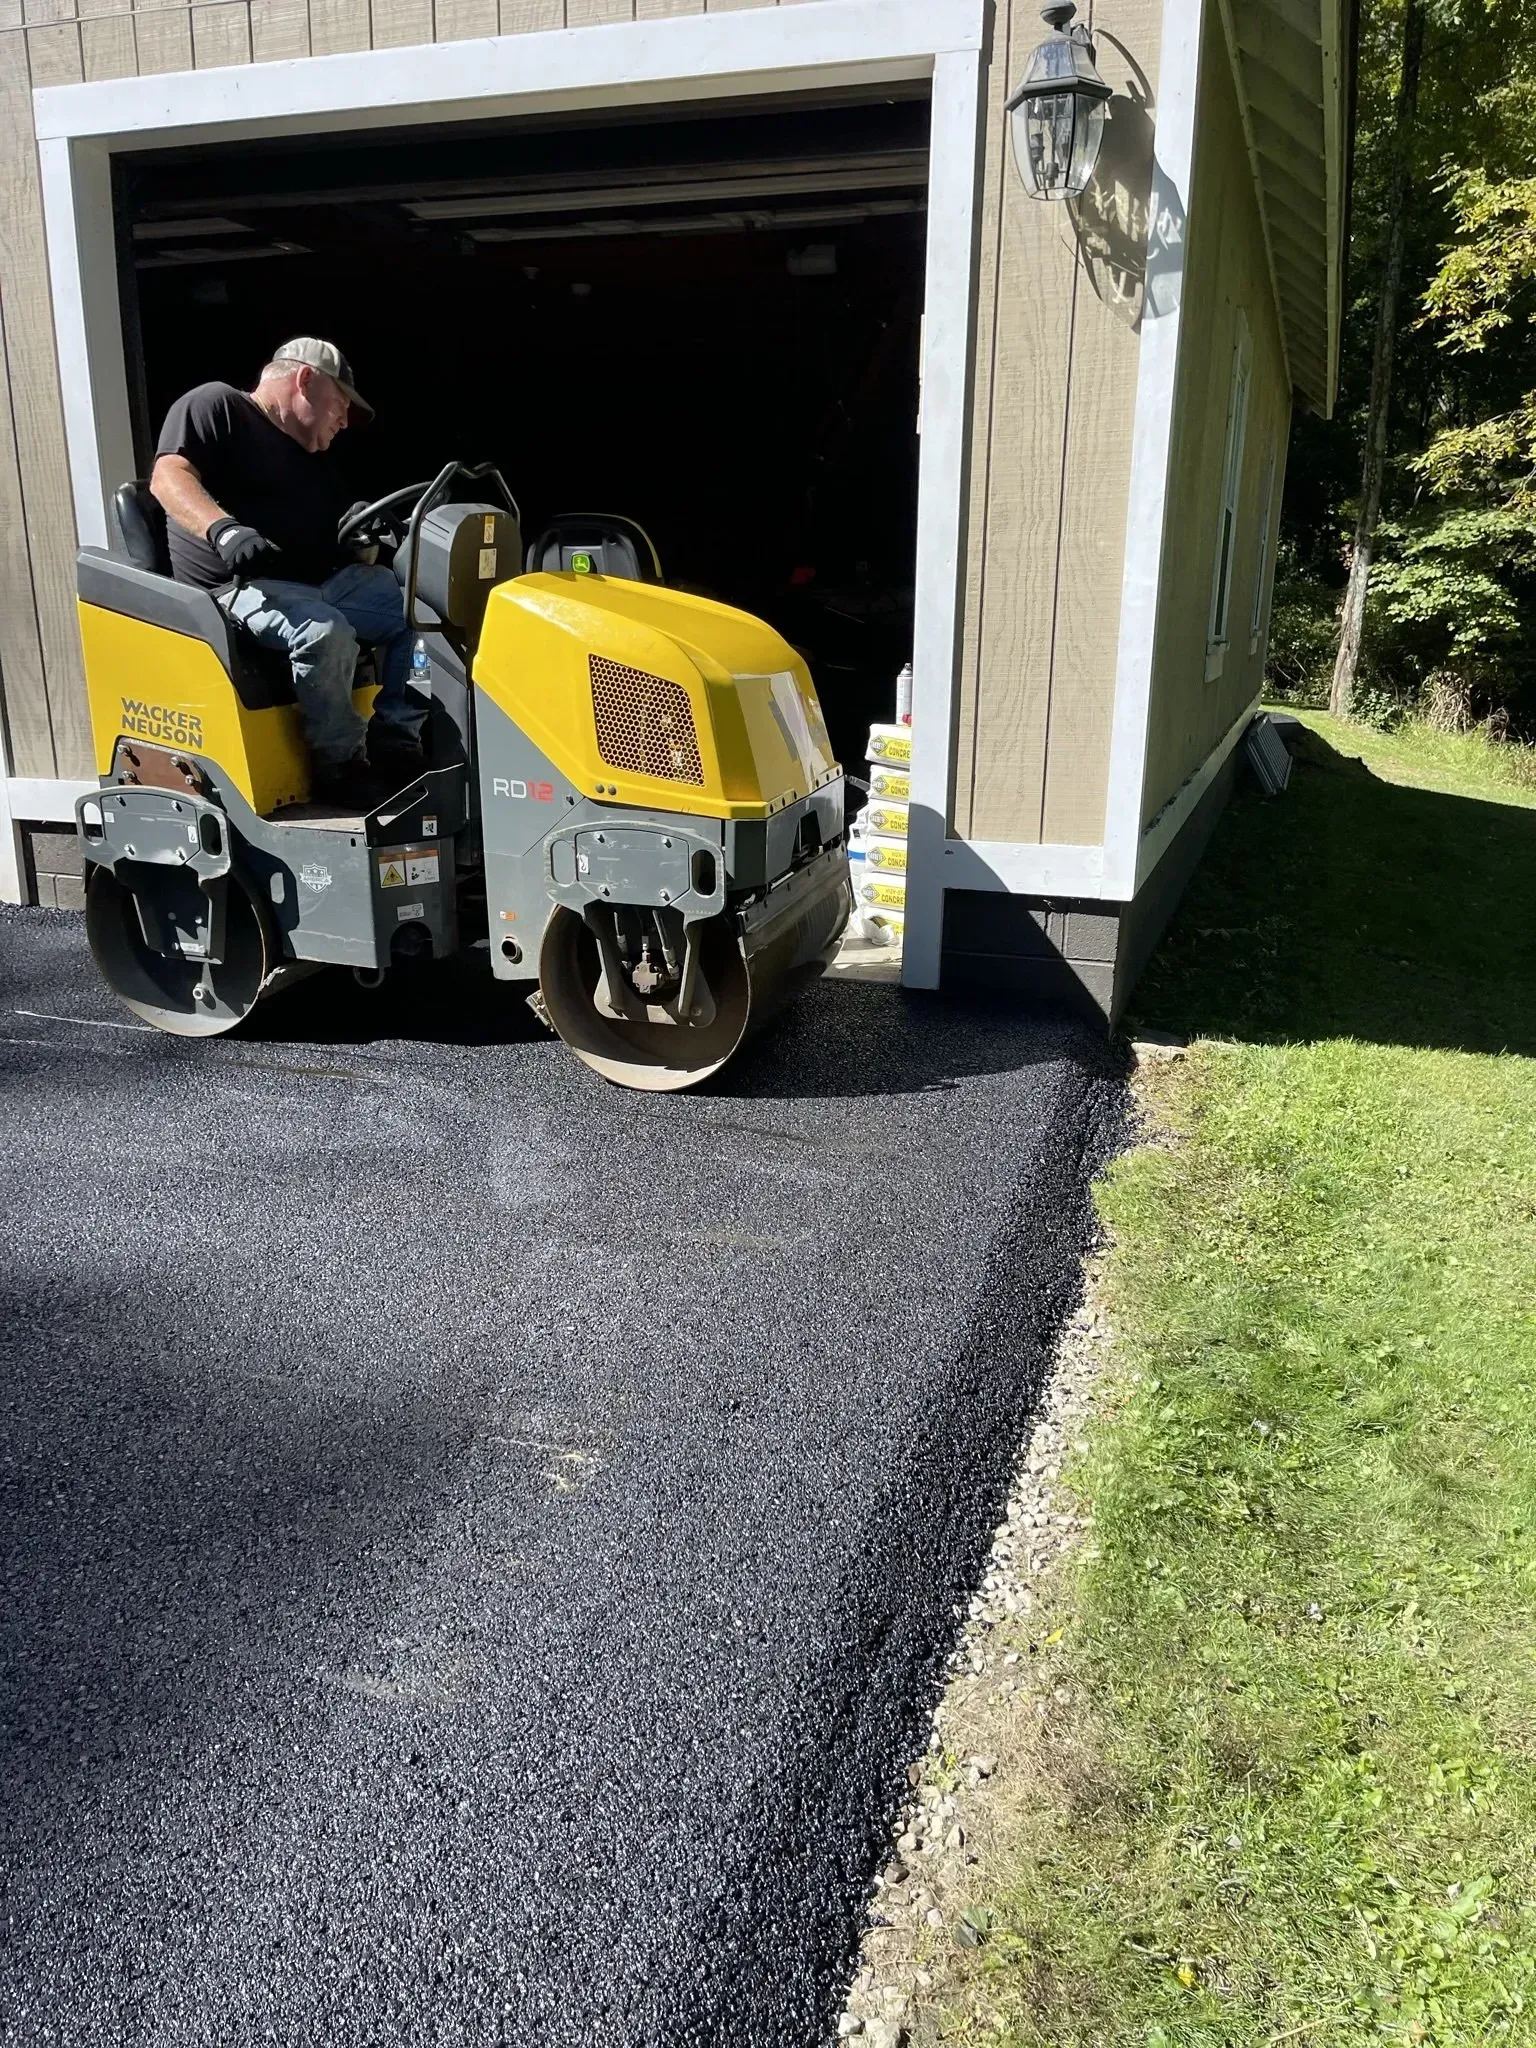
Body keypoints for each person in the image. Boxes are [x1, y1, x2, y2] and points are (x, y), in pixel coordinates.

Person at [149, 338, 424, 810]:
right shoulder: (218, 405)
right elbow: (168, 477)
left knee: (422, 607)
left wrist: (364, 539)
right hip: (236, 588)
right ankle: (340, 764)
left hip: (320, 583)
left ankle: (397, 741)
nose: (344, 421)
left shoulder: (313, 457)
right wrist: (225, 531)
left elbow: (351, 553)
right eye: (341, 405)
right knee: (324, 631)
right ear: (305, 381)